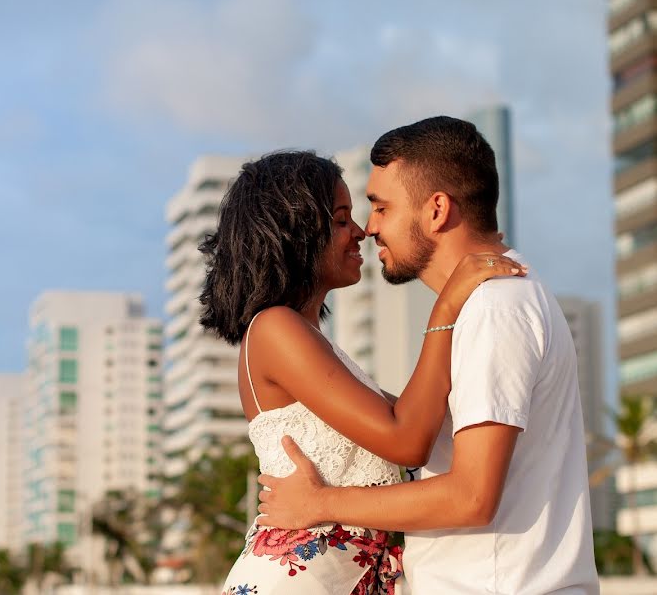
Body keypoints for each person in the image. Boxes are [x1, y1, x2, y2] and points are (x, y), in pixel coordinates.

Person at [255, 117, 599, 594]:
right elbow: (410, 426)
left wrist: (322, 503)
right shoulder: (489, 304)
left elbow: (471, 496)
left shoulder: (496, 306)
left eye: (380, 207)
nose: (369, 228)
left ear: (437, 210)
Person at [198, 150, 525, 595]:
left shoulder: (317, 344)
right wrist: (448, 304)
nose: (360, 232)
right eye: (339, 220)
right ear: (295, 234)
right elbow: (407, 440)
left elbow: (426, 421)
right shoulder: (275, 328)